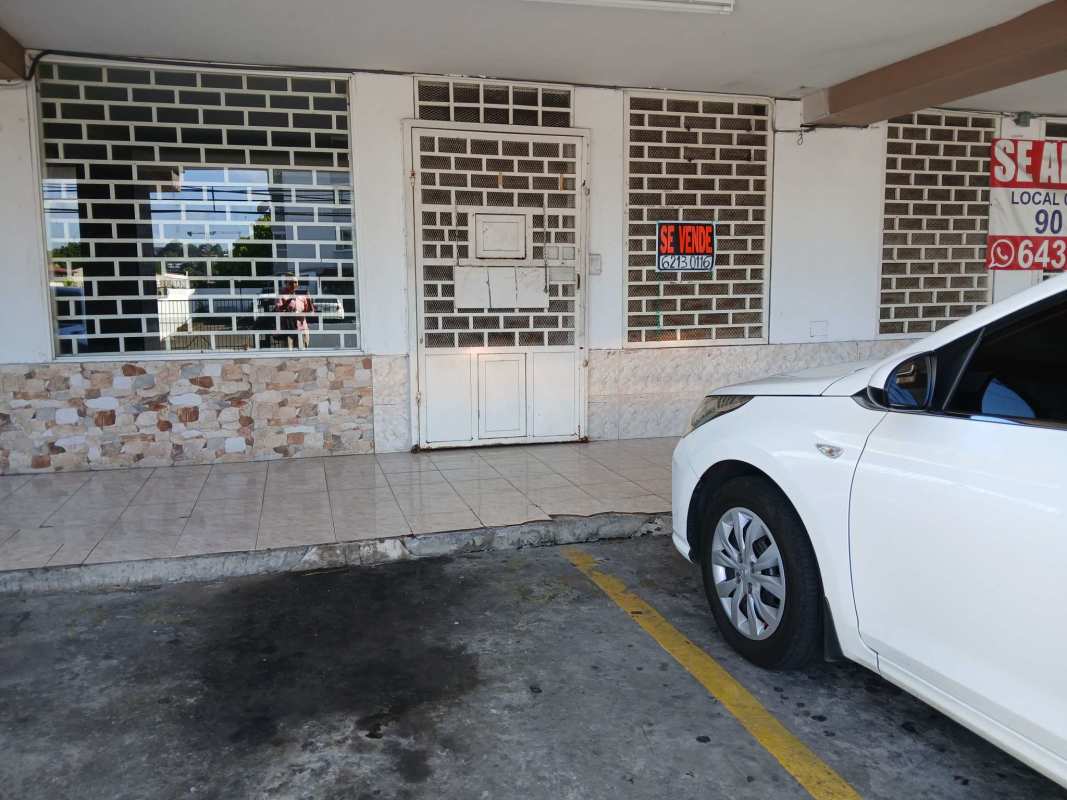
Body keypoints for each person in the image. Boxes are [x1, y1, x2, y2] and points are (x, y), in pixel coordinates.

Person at [275, 277, 315, 349]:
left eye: (296, 282)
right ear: (286, 284)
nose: (294, 284)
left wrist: (309, 300)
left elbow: (310, 312)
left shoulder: (302, 295)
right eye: (291, 282)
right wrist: (289, 300)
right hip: (288, 329)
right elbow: (279, 309)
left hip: (302, 328)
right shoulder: (281, 295)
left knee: (303, 352)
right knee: (288, 354)